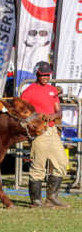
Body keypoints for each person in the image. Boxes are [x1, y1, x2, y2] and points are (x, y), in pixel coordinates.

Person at [20, 61, 69, 208]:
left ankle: (52, 198)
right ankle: (36, 201)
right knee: (38, 165)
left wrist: (54, 116)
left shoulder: (52, 90)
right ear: (37, 74)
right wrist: (36, 118)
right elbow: (22, 112)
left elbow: (58, 110)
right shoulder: (28, 92)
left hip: (52, 131)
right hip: (39, 132)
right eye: (42, 75)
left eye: (47, 75)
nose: (45, 77)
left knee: (61, 162)